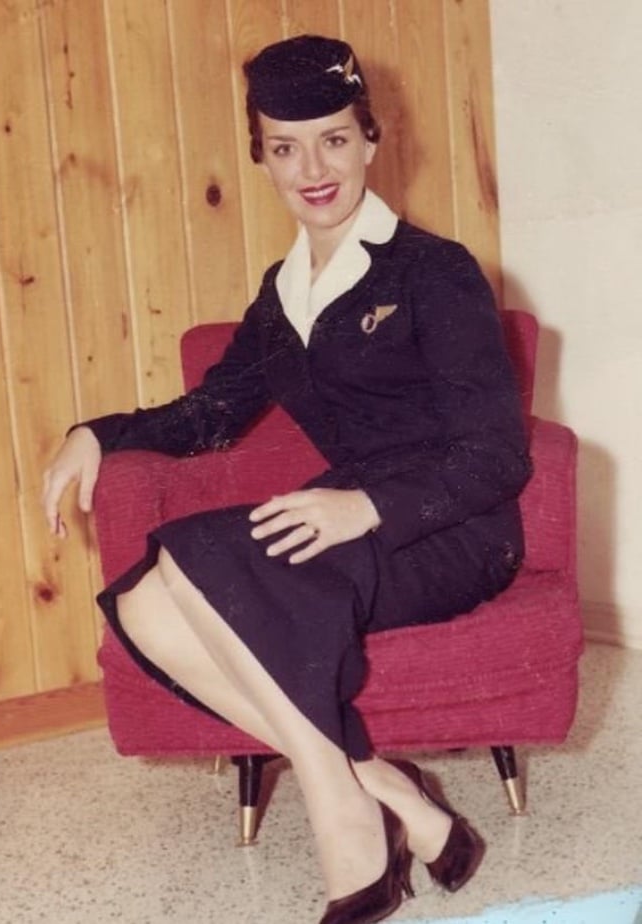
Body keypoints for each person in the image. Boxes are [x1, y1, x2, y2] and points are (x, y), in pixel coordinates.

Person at [42, 35, 531, 924]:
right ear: (261, 159)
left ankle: (348, 820)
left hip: (451, 527)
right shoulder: (282, 293)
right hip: (347, 515)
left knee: (191, 556)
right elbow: (214, 411)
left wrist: (366, 507)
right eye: (285, 147)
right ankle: (381, 789)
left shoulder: (435, 271)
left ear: (371, 141)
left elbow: (498, 456)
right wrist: (96, 432)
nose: (312, 168)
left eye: (334, 139)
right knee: (143, 603)